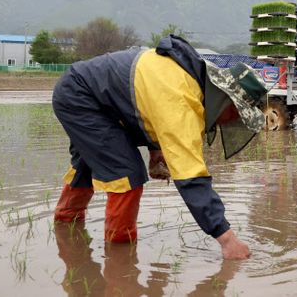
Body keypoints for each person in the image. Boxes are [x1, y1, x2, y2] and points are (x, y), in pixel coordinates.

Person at [52, 35, 267, 259]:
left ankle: (65, 227)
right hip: (81, 96)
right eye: (235, 115)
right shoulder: (182, 99)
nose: (230, 122)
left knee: (86, 165)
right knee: (126, 174)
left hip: (93, 95)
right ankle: (120, 258)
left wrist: (155, 151)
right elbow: (191, 177)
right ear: (225, 101)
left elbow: (146, 104)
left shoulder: (190, 81)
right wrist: (227, 240)